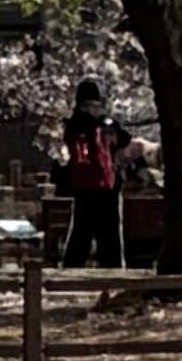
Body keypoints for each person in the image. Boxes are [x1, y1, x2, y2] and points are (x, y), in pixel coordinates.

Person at [57, 80, 127, 269]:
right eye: (89, 106)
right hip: (85, 186)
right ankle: (72, 269)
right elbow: (77, 135)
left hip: (107, 185)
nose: (93, 110)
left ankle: (112, 269)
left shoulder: (106, 126)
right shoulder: (76, 126)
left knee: (110, 234)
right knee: (82, 232)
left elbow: (123, 139)